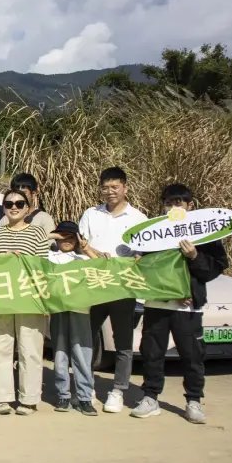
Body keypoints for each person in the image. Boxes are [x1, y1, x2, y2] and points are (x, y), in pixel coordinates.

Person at [131, 183, 227, 424]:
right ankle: (150, 398)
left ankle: (194, 401)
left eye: (178, 203)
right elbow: (146, 269)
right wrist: (140, 260)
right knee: (151, 353)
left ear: (189, 205)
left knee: (192, 355)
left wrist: (195, 256)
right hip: (157, 304)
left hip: (187, 307)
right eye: (168, 203)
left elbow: (213, 269)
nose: (173, 207)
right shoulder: (154, 232)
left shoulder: (204, 231)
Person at [78, 166, 147, 414]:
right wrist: (93, 253)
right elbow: (80, 246)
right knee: (86, 338)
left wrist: (137, 258)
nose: (109, 191)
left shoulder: (139, 219)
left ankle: (118, 390)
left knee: (123, 341)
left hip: (123, 288)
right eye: (105, 187)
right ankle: (85, 387)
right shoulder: (91, 214)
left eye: (114, 187)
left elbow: (145, 255)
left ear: (125, 188)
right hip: (94, 285)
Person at [0, 188, 49, 416]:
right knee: (0, 346)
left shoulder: (38, 232)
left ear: (27, 209)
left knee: (30, 349)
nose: (14, 207)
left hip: (29, 298)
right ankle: (1, 397)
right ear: (4, 208)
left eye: (19, 204)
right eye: (9, 204)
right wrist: (3, 258)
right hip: (0, 297)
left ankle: (29, 399)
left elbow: (43, 266)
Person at [47, 220, 96, 416]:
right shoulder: (49, 256)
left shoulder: (83, 258)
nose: (66, 240)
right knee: (60, 354)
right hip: (57, 309)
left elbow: (103, 268)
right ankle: (63, 395)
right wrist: (53, 236)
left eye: (71, 236)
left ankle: (85, 397)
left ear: (77, 239)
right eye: (62, 236)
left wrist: (86, 248)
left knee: (82, 353)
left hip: (80, 310)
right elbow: (33, 249)